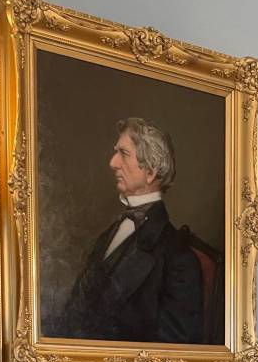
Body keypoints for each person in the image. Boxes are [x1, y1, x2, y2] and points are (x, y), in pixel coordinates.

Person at [57, 118, 203, 343]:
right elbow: (74, 311)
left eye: (123, 154)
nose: (113, 162)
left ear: (151, 172)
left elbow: (174, 351)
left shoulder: (178, 258)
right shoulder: (107, 235)